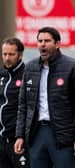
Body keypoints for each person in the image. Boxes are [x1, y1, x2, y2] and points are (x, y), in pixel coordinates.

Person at [14, 26, 75, 168]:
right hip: (36, 134)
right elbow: (23, 105)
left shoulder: (74, 67)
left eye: (47, 41)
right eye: (40, 41)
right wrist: (19, 135)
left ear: (57, 44)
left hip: (62, 136)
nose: (42, 44)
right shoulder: (30, 68)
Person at [0, 37, 30, 168]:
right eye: (4, 54)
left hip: (19, 141)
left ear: (20, 55)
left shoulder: (28, 75)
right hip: (1, 140)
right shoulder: (2, 75)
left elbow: (30, 108)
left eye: (11, 54)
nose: (7, 58)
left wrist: (21, 136)